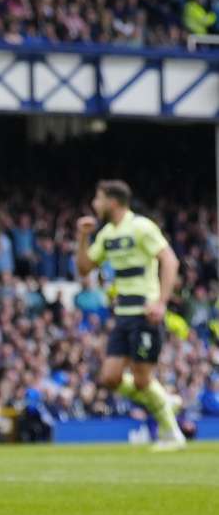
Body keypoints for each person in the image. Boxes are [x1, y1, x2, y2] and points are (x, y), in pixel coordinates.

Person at [75, 180, 185, 451]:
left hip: (145, 313)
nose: (94, 204)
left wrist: (161, 302)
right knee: (110, 378)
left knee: (141, 379)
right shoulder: (108, 233)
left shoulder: (142, 227)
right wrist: (82, 237)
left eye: (98, 199)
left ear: (113, 202)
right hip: (123, 314)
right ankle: (162, 399)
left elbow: (170, 260)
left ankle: (171, 434)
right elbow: (85, 268)